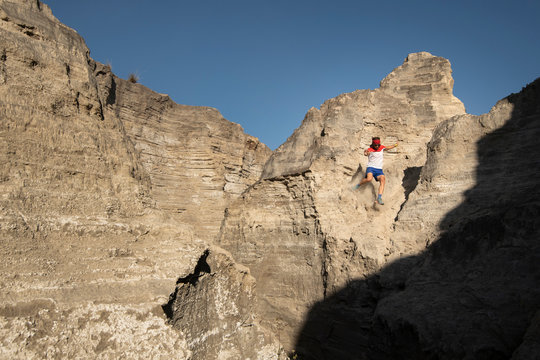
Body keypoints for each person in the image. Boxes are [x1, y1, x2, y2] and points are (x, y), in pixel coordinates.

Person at [354, 137, 398, 205]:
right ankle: (357, 185)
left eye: (378, 145)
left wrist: (395, 145)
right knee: (369, 179)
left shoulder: (382, 147)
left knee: (383, 179)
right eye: (375, 145)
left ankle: (379, 198)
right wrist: (366, 153)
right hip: (371, 168)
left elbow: (388, 147)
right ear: (373, 144)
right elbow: (366, 153)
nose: (377, 146)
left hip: (379, 169)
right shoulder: (369, 149)